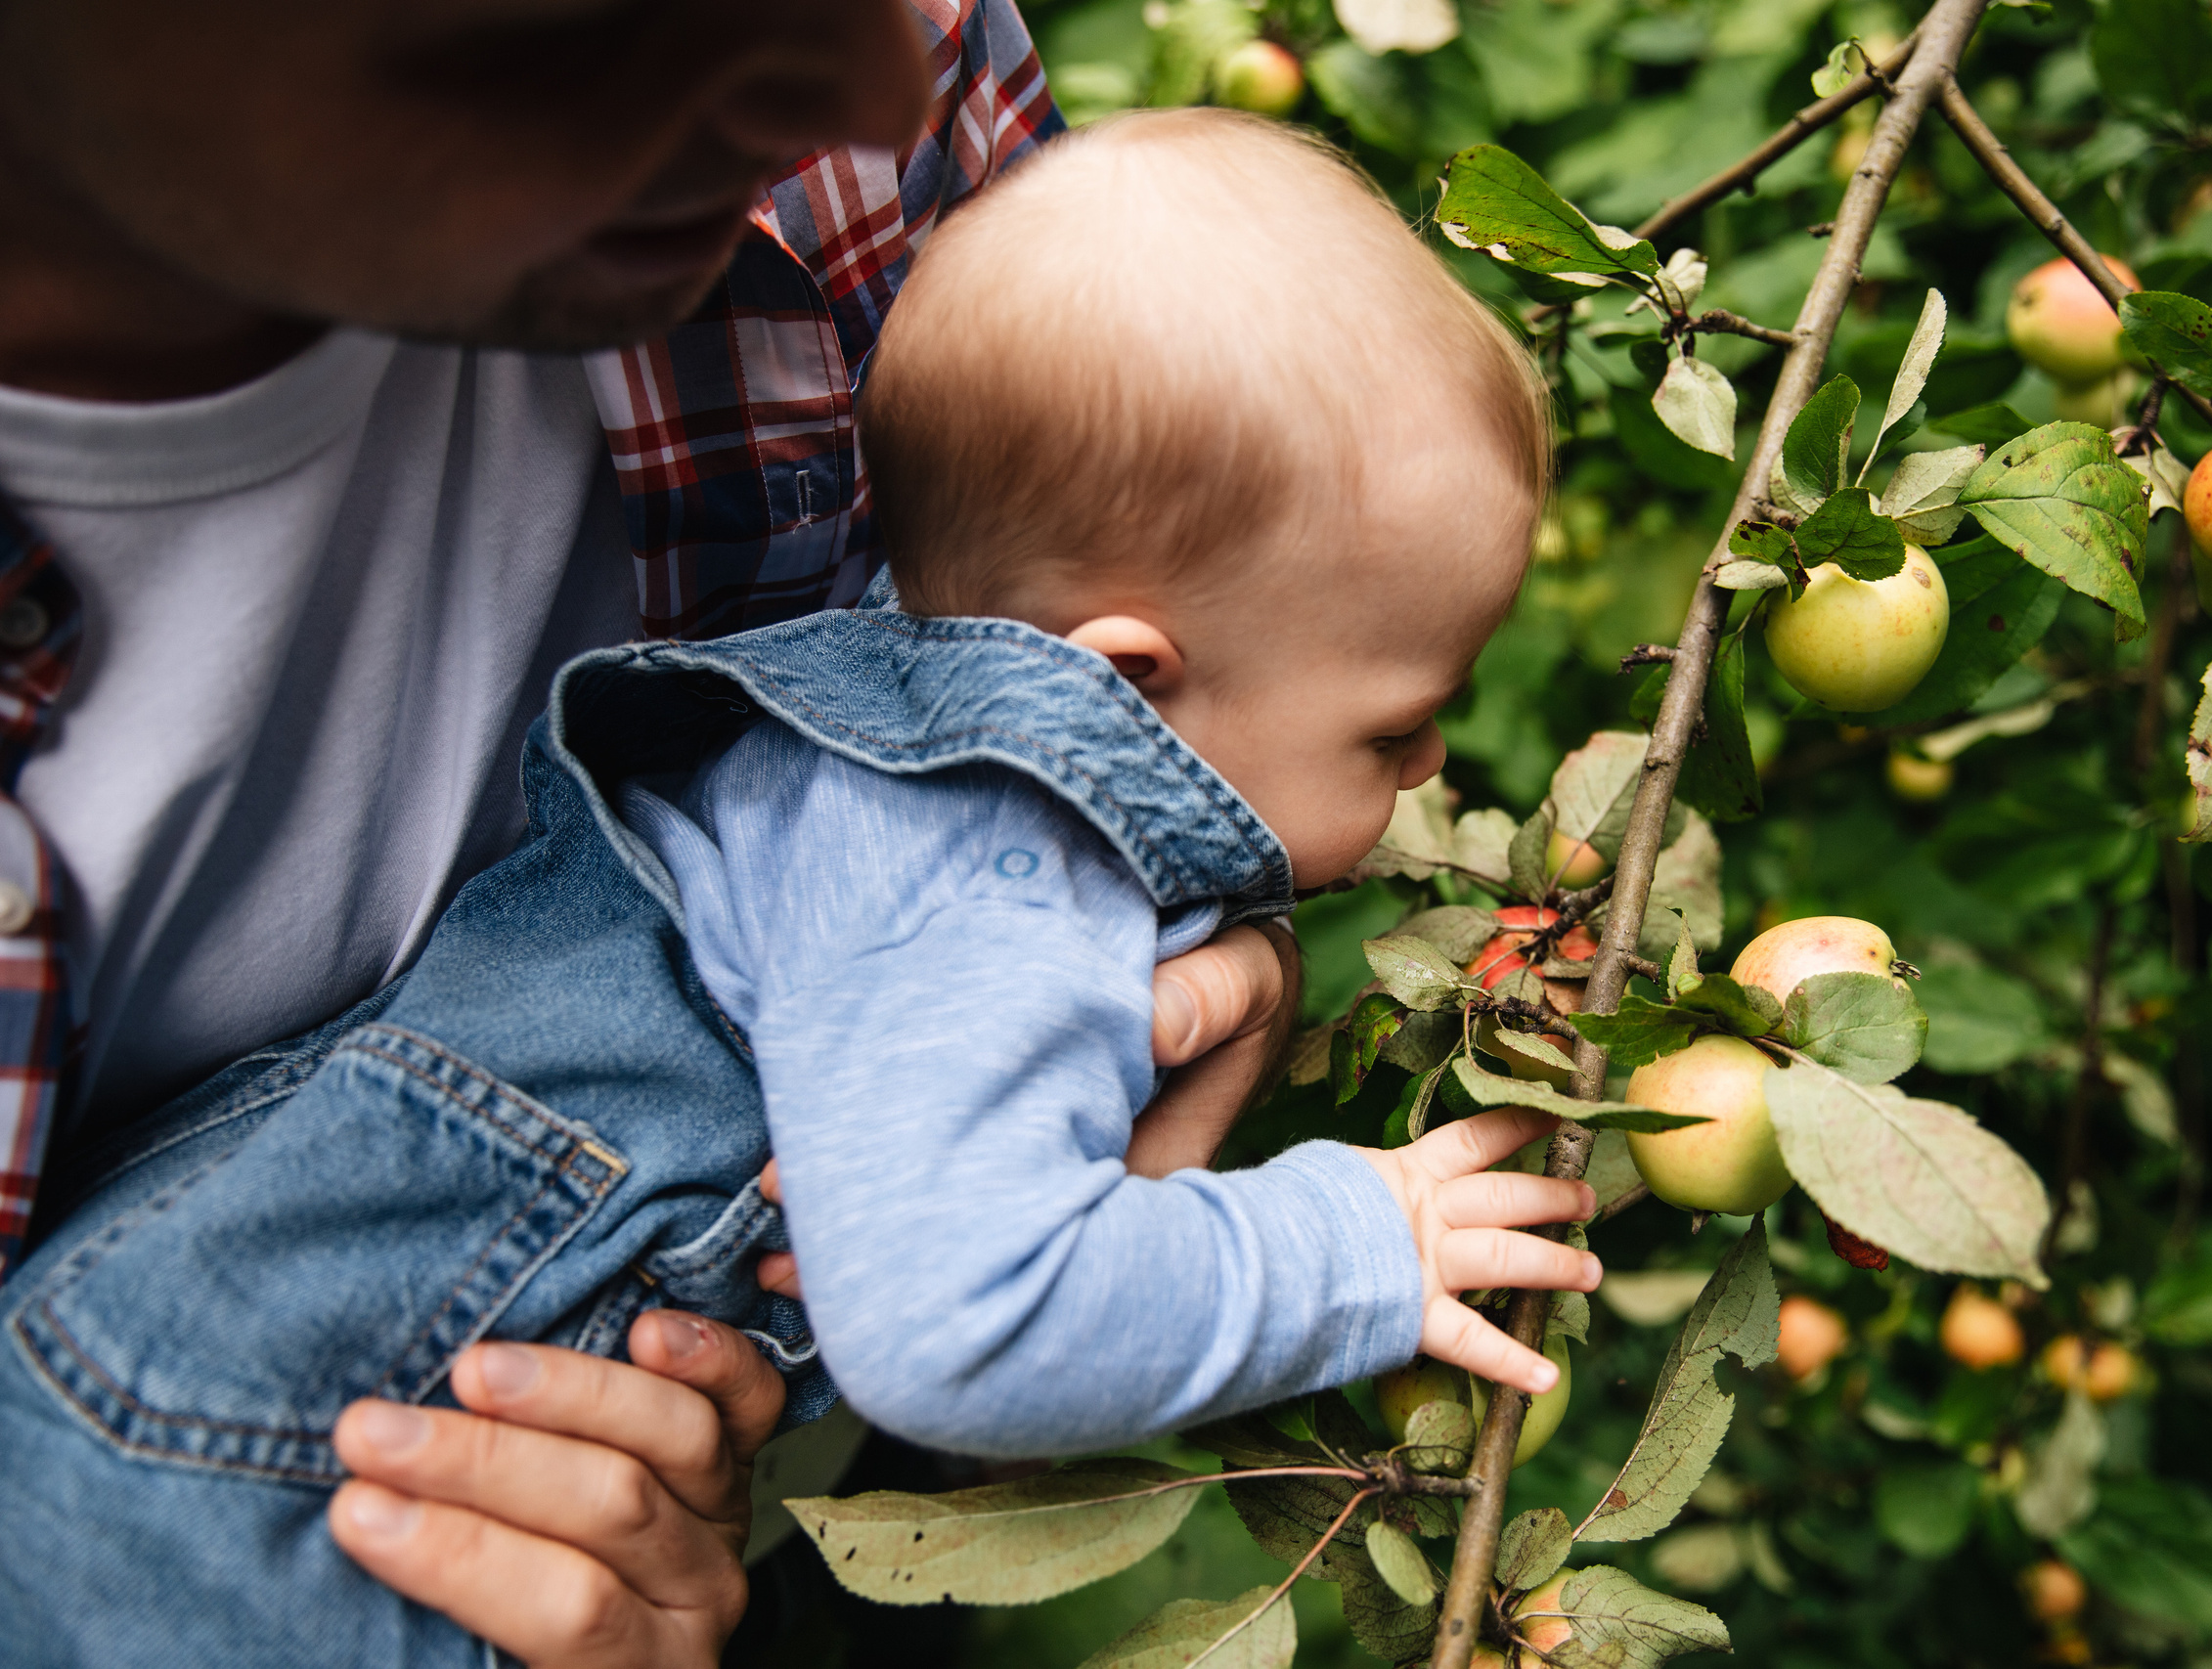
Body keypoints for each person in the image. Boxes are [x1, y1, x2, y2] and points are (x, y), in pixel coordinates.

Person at [0, 109, 1603, 1665]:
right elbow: (962, 1331)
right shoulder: (996, 872)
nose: (1427, 773)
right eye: (1396, 722)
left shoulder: (870, 739)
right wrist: (1344, 1249)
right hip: (235, 1511)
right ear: (1128, 679)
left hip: (170, 1393)